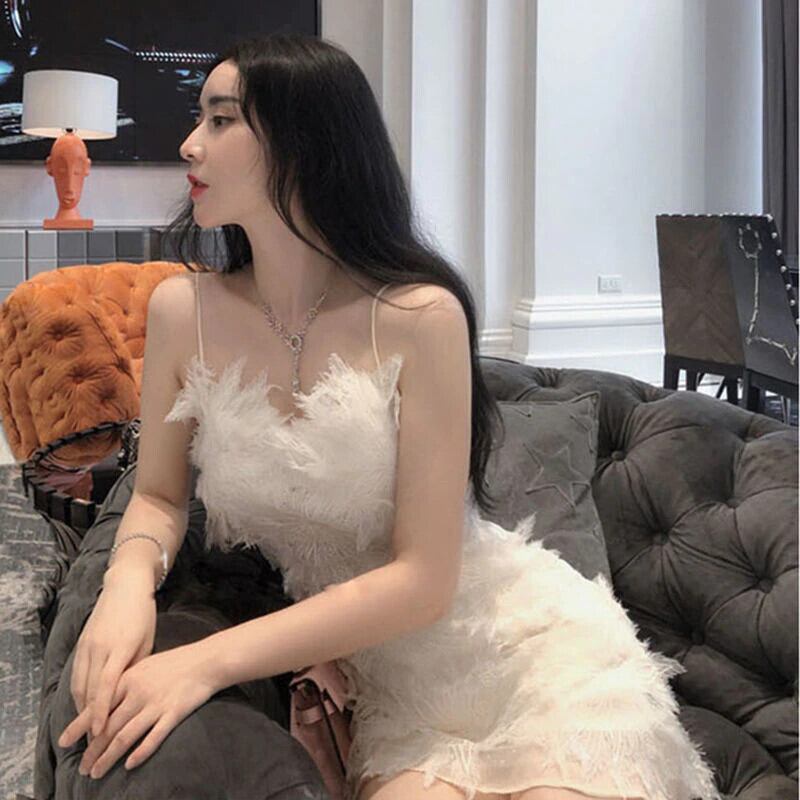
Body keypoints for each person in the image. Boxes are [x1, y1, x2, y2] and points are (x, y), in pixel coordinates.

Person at [55, 31, 724, 800]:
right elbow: (158, 493)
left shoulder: (419, 315)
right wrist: (125, 586)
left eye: (221, 119)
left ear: (305, 140)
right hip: (387, 683)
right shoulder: (183, 311)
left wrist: (203, 662)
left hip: (520, 649)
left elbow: (425, 581)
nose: (189, 144)